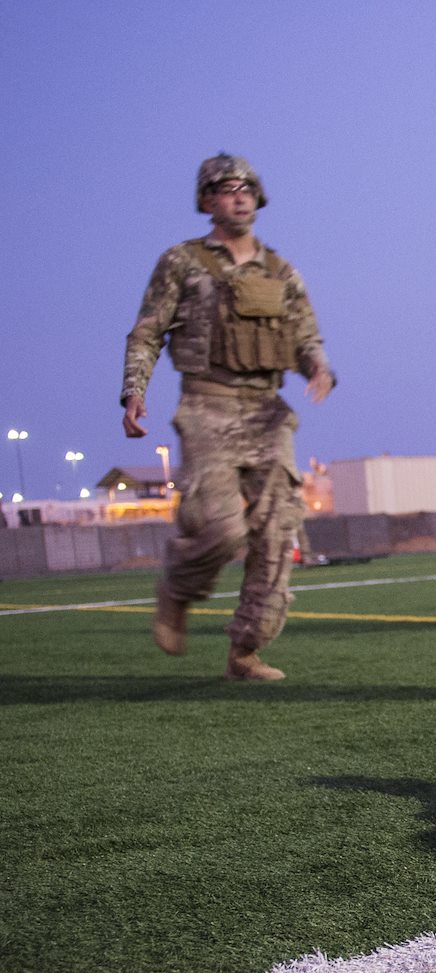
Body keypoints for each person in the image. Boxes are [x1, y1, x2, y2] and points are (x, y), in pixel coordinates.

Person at [122, 153, 337, 681]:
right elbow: (148, 331)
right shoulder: (182, 262)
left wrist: (317, 367)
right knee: (220, 529)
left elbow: (305, 334)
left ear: (257, 200)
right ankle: (177, 591)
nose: (238, 197)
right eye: (226, 189)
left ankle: (246, 650)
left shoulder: (280, 272)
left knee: (277, 533)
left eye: (246, 189)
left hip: (267, 412)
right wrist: (134, 391)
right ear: (206, 201)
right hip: (208, 405)